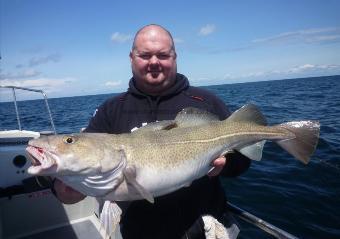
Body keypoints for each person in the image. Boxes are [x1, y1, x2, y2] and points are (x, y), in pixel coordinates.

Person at [53, 24, 251, 238]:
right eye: (145, 55)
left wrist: (226, 165)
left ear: (175, 57)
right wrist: (63, 188)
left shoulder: (206, 101)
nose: (154, 62)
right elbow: (85, 156)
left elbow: (243, 162)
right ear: (132, 57)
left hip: (206, 230)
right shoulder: (110, 110)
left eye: (163, 55)